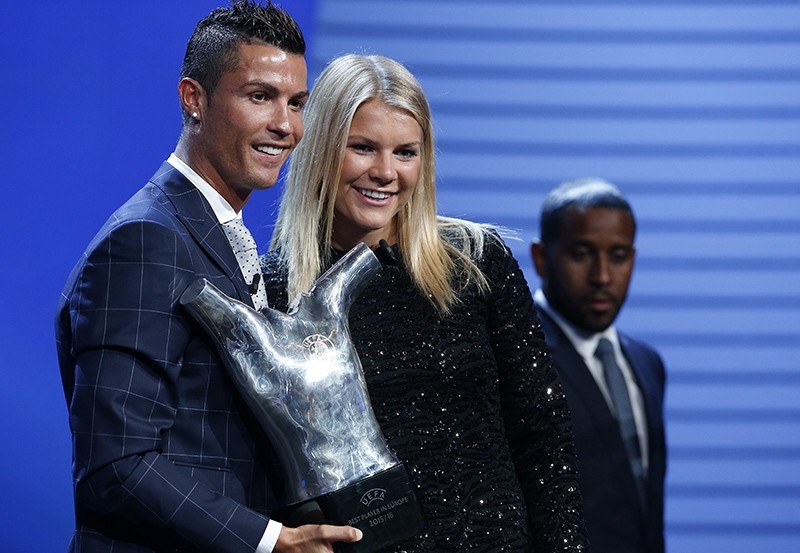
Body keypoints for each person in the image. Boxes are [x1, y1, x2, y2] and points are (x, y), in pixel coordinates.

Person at [55, 2, 363, 551]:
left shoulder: (222, 236)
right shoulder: (146, 241)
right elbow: (116, 464)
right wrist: (271, 540)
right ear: (193, 98)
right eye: (260, 96)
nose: (286, 126)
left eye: (297, 103)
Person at [261, 53, 589, 553]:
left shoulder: (477, 262)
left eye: (406, 152)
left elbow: (542, 437)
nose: (385, 173)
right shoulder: (277, 291)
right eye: (363, 148)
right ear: (321, 150)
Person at [530, 177, 667, 553]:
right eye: (582, 254)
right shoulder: (518, 358)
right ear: (541, 258)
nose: (602, 277)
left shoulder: (646, 363)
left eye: (619, 256)